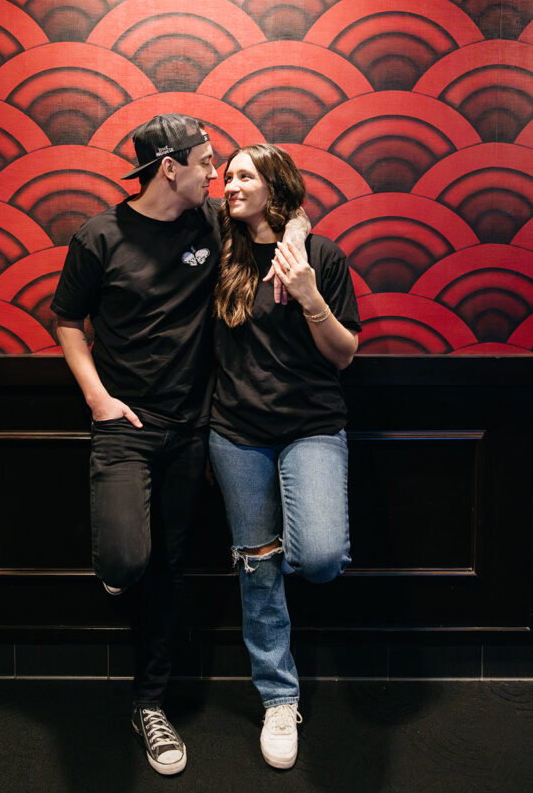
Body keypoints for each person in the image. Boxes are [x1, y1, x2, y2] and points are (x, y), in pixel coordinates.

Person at [51, 116, 305, 777]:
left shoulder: (211, 223)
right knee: (130, 561)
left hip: (192, 431)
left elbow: (289, 216)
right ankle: (119, 558)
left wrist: (298, 238)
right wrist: (97, 399)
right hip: (124, 431)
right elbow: (65, 323)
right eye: (206, 162)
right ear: (171, 167)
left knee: (167, 568)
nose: (216, 174)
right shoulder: (99, 236)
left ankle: (149, 705)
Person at [209, 143, 361, 770]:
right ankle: (278, 697)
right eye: (227, 176)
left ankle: (283, 676)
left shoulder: (321, 256)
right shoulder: (221, 251)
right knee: (257, 569)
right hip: (236, 431)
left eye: (244, 175)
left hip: (312, 426)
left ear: (275, 186)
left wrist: (306, 291)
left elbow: (344, 353)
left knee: (320, 557)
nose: (228, 184)